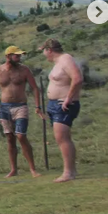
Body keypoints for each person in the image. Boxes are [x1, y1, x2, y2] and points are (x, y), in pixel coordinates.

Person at [0, 46, 45, 178]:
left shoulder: (24, 70)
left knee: (21, 135)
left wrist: (38, 106)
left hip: (21, 106)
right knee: (10, 138)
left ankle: (33, 169)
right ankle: (14, 169)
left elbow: (35, 88)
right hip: (4, 107)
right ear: (8, 56)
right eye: (16, 56)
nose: (19, 58)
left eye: (20, 56)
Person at [39, 38, 83, 183]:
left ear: (49, 50)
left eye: (44, 51)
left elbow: (77, 78)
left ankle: (68, 172)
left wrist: (68, 98)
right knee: (61, 138)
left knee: (62, 138)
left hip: (63, 105)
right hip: (55, 104)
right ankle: (71, 170)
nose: (44, 54)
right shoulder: (59, 62)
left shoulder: (65, 59)